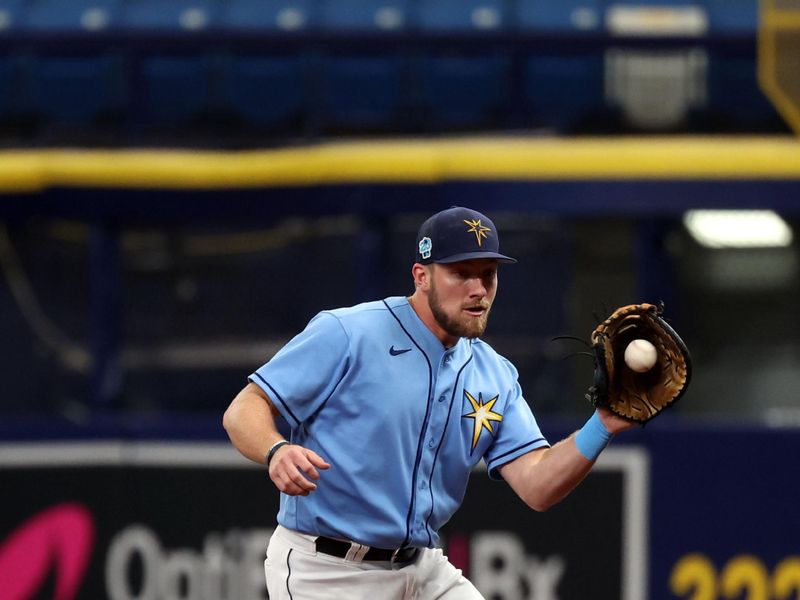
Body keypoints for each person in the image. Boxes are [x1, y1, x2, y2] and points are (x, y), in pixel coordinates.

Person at [223, 206, 634, 599]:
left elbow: (538, 486)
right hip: (327, 570)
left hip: (422, 571)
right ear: (421, 275)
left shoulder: (495, 374)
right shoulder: (349, 333)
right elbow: (245, 408)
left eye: (488, 275)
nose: (478, 290)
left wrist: (603, 424)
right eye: (461, 273)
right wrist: (276, 449)